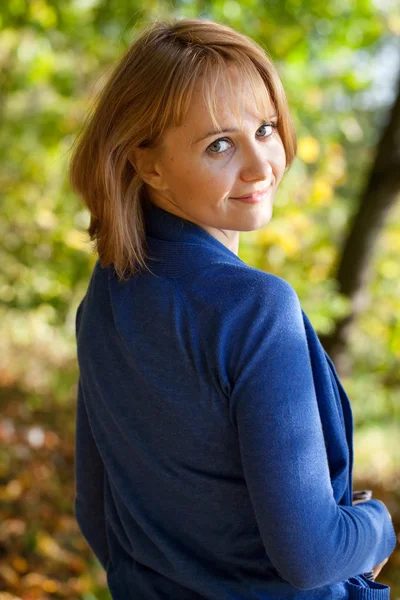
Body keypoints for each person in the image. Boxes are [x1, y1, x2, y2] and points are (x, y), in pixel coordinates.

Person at [69, 17, 397, 599]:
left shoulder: (105, 298)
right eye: (219, 144)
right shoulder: (256, 309)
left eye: (265, 129)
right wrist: (378, 526)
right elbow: (312, 554)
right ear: (149, 165)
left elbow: (96, 513)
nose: (259, 165)